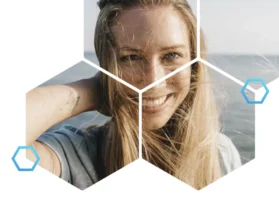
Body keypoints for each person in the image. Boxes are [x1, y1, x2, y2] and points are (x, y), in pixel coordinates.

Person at [26, 0, 242, 190]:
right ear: (108, 66)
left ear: (194, 64)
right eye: (130, 58)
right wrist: (94, 89)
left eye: (172, 55)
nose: (153, 79)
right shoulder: (77, 156)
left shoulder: (220, 154)